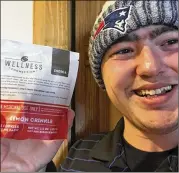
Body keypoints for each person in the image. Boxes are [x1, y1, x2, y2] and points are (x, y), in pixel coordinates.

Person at [1, 0, 178, 172]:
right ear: (101, 77)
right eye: (124, 50)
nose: (150, 67)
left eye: (170, 42)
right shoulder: (78, 156)